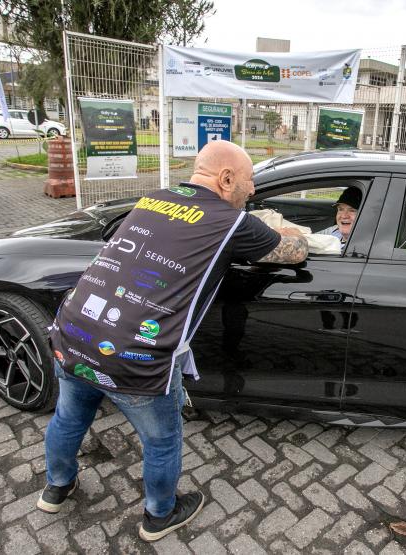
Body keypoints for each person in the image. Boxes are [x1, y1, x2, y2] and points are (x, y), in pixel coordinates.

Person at [39, 141, 308, 542]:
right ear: (227, 178)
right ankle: (159, 515)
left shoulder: (153, 199)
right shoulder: (232, 221)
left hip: (76, 331)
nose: (252, 191)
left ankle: (56, 488)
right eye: (250, 182)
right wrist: (282, 228)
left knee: (68, 417)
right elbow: (295, 253)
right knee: (161, 441)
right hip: (135, 356)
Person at [316, 185, 361, 250]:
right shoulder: (335, 230)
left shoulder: (362, 246)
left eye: (352, 210)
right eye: (341, 209)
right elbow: (310, 238)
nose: (344, 216)